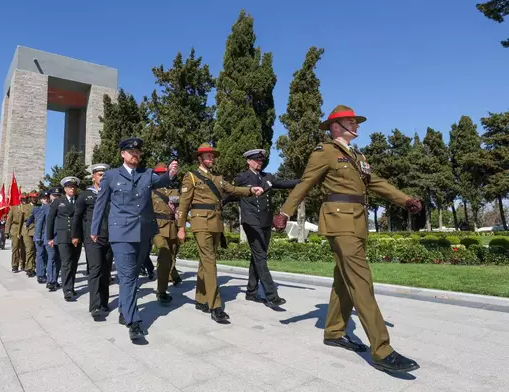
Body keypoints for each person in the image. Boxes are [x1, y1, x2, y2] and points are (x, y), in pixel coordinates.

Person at [273, 105, 423, 373]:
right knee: (361, 281)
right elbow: (304, 184)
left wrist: (405, 199)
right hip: (339, 221)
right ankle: (382, 350)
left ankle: (333, 331)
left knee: (344, 280)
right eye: (351, 122)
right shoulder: (325, 152)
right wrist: (285, 212)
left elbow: (374, 182)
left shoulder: (357, 155)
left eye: (356, 121)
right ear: (335, 126)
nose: (357, 126)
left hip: (357, 222)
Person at [91, 138, 178, 341]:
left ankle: (124, 309)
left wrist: (171, 174)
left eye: (138, 152)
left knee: (132, 276)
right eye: (131, 151)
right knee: (128, 275)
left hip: (144, 232)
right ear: (122, 154)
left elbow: (162, 181)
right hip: (121, 233)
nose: (135, 154)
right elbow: (101, 204)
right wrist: (95, 229)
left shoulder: (146, 174)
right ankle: (134, 322)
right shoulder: (111, 176)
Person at [177, 143, 263, 323]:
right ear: (200, 159)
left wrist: (250, 190)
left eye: (212, 156)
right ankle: (215, 306)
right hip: (200, 223)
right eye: (208, 156)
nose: (211, 159)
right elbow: (184, 204)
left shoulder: (217, 178)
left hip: (216, 223)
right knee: (210, 262)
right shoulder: (191, 177)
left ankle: (200, 298)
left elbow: (232, 189)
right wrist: (181, 227)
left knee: (205, 262)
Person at [227, 149, 299, 307]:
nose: (259, 163)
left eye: (260, 161)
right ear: (248, 161)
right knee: (260, 256)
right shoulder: (242, 178)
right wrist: (216, 205)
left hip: (266, 222)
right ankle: (272, 296)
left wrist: (305, 180)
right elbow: (230, 194)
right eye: (256, 160)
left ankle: (251, 292)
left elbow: (284, 183)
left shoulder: (268, 177)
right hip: (251, 221)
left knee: (257, 256)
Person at [72, 163, 113, 320]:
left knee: (106, 270)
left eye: (104, 175)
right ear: (94, 176)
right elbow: (77, 216)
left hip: (109, 236)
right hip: (92, 238)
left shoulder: (111, 193)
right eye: (100, 175)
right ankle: (95, 306)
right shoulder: (85, 195)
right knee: (95, 270)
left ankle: (103, 302)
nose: (102, 178)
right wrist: (75, 236)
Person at [150, 162, 182, 303]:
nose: (161, 176)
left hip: (172, 227)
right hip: (156, 227)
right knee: (164, 255)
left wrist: (181, 226)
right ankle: (161, 291)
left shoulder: (175, 191)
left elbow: (181, 209)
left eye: (163, 173)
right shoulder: (151, 191)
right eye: (158, 174)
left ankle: (173, 275)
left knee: (171, 256)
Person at [47, 177, 82, 301]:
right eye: (70, 187)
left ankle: (71, 287)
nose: (72, 189)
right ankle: (67, 290)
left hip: (77, 236)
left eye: (74, 187)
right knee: (66, 263)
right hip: (63, 236)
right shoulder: (58, 201)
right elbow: (50, 220)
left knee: (74, 263)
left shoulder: (79, 200)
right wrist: (50, 237)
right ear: (65, 188)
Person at [27, 190, 51, 284]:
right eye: (44, 198)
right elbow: (35, 221)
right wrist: (37, 236)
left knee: (47, 256)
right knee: (40, 255)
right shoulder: (38, 209)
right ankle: (40, 275)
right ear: (41, 200)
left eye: (48, 198)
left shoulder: (50, 207)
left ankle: (45, 273)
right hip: (40, 236)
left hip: (48, 236)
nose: (46, 200)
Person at [46, 186, 63, 291]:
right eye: (54, 195)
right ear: (50, 196)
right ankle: (50, 281)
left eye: (58, 195)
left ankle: (55, 279)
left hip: (59, 237)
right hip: (49, 238)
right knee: (51, 258)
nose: (56, 197)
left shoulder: (63, 206)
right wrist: (47, 237)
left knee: (58, 260)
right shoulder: (47, 207)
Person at [6, 193, 28, 273]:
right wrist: (7, 231)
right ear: (20, 199)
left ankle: (24, 264)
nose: (24, 201)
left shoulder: (28, 208)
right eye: (22, 199)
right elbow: (8, 220)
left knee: (24, 247)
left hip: (25, 228)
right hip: (15, 228)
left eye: (25, 199)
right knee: (15, 247)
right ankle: (15, 265)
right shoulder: (14, 208)